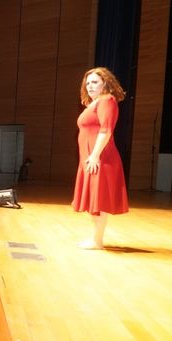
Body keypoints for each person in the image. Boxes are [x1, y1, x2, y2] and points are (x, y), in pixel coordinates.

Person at [72, 67, 129, 249]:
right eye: (87, 83)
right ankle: (95, 238)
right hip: (90, 157)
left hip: (101, 157)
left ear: (105, 83)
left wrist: (95, 155)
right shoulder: (93, 104)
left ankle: (97, 241)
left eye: (95, 82)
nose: (90, 86)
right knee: (93, 199)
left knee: (99, 199)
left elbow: (106, 129)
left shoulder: (107, 100)